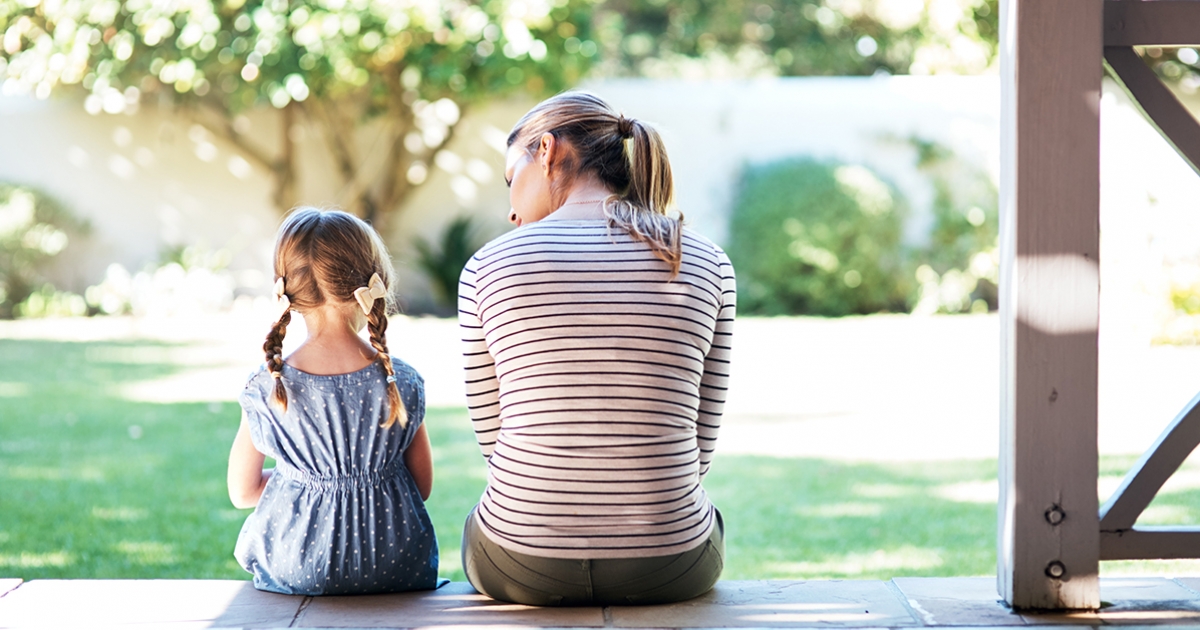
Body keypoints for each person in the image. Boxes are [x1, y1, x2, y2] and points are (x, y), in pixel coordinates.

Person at [457, 91, 736, 606]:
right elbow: (700, 444)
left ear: (545, 150)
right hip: (670, 563)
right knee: (707, 517)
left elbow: (494, 442)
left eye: (509, 179)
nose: (511, 209)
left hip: (520, 563)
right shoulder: (704, 260)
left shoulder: (487, 266)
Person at [227, 208, 440, 596]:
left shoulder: (267, 386)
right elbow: (421, 486)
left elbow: (242, 492)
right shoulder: (402, 381)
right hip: (395, 565)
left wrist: (303, 479)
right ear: (373, 283)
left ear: (286, 292)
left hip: (297, 567)